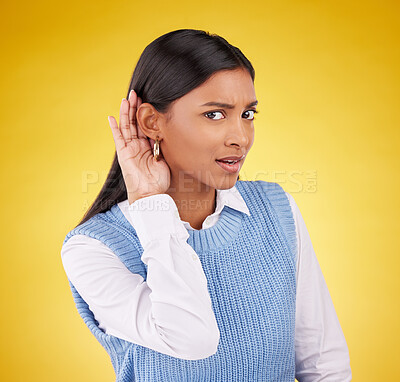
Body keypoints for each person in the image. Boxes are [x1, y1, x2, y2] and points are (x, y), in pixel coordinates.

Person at [61, 29, 352, 381]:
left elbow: (322, 361)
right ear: (152, 122)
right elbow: (192, 339)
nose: (240, 138)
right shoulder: (93, 248)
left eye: (248, 114)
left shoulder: (277, 210)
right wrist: (151, 205)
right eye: (215, 114)